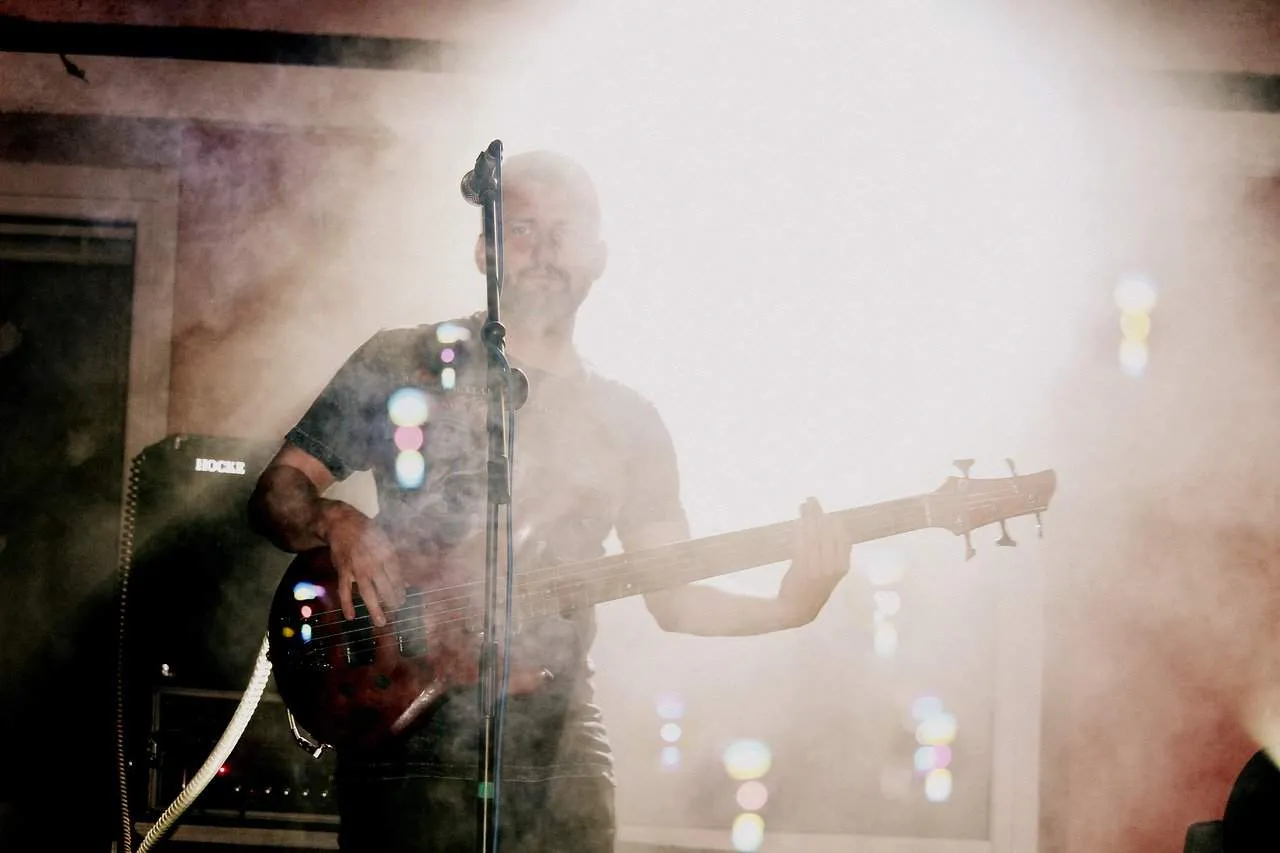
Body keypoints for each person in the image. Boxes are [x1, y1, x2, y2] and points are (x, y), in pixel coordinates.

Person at [247, 150, 854, 853]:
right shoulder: (401, 359)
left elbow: (675, 598)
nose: (543, 250)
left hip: (561, 747)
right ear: (485, 249)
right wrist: (333, 518)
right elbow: (275, 492)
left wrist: (790, 606)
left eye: (564, 231)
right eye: (524, 229)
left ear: (599, 255)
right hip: (405, 734)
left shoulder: (630, 421)